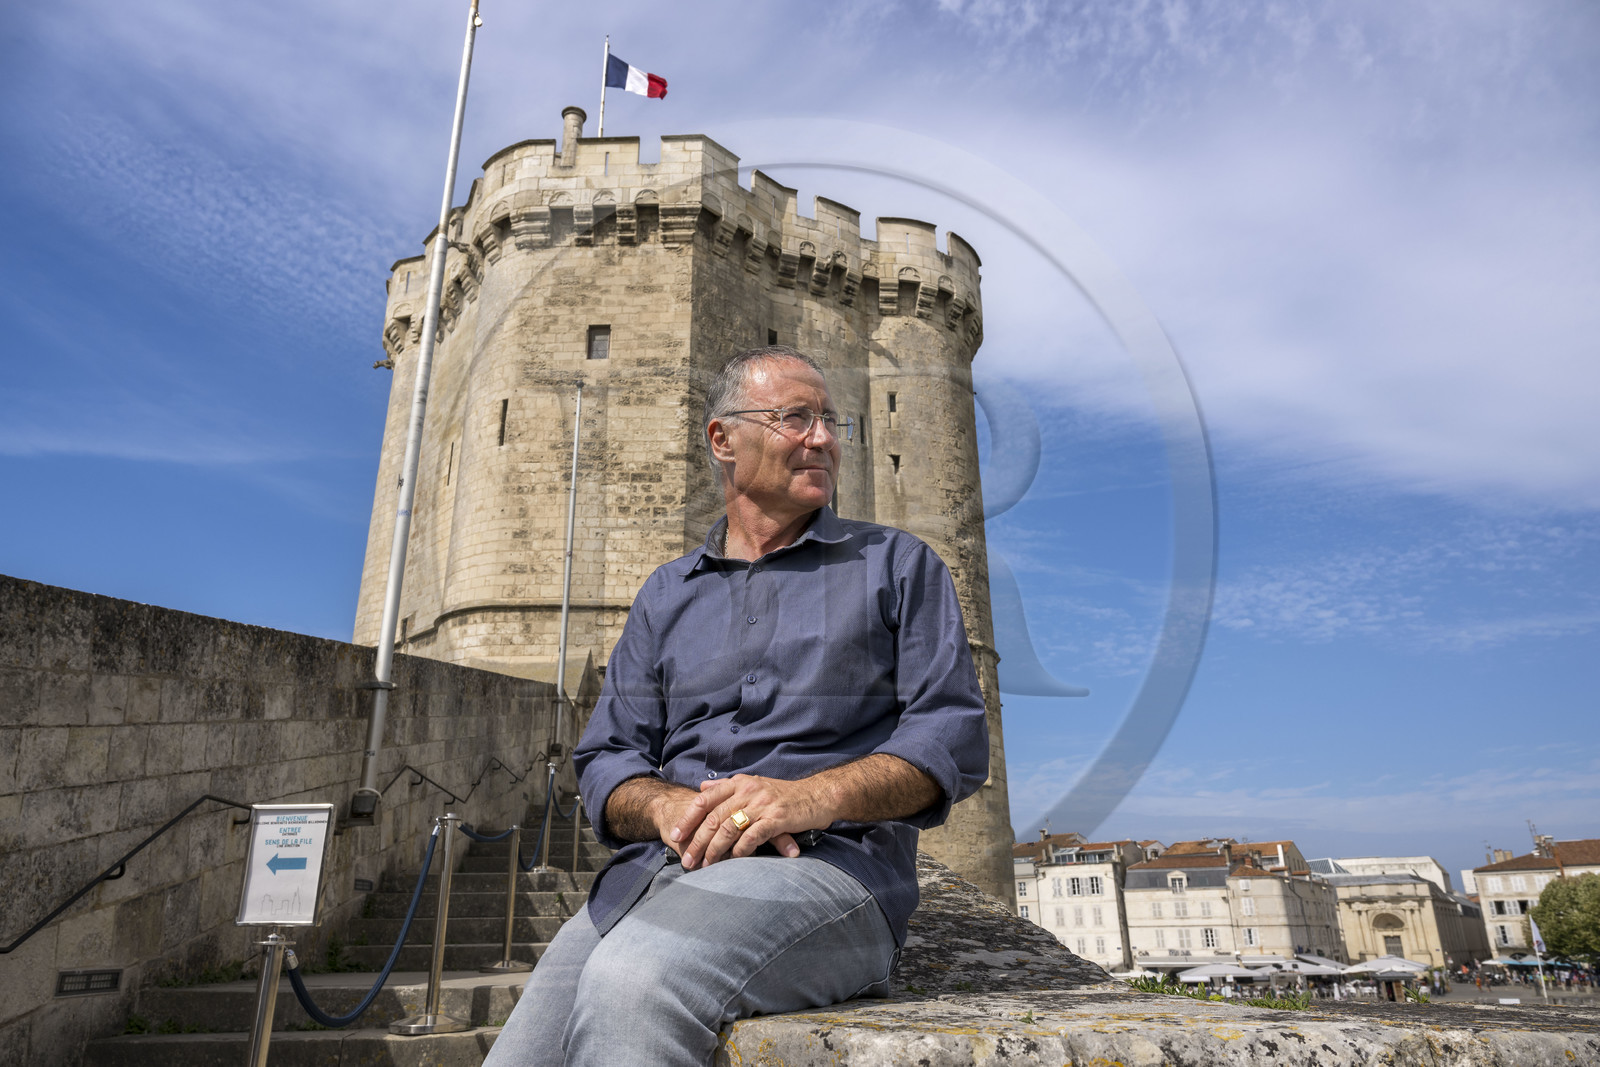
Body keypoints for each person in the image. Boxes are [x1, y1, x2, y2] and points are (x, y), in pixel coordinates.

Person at [484, 346, 990, 1066]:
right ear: (724, 439)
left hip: (831, 873)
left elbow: (953, 739)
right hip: (655, 875)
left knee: (635, 984)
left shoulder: (899, 566)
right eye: (794, 417)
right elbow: (606, 757)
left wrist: (809, 797)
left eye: (829, 420)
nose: (822, 437)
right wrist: (664, 807)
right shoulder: (667, 593)